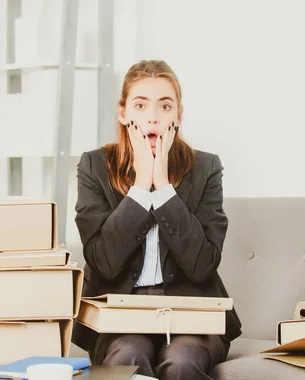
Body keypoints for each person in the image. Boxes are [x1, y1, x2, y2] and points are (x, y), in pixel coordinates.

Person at [71, 59, 242, 379]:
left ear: (178, 115)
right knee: (129, 355)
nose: (153, 117)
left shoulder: (206, 168)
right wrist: (140, 186)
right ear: (123, 113)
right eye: (140, 105)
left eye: (165, 106)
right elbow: (103, 263)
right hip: (120, 321)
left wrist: (163, 187)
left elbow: (203, 264)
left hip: (195, 317)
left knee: (181, 360)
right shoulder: (94, 166)